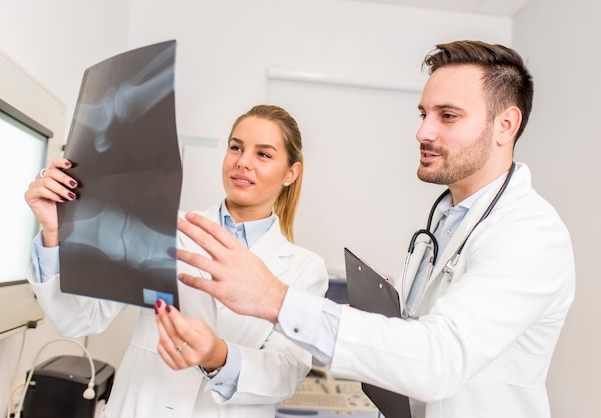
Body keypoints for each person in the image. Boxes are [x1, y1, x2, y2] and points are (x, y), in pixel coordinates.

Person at [173, 41, 576, 418]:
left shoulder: (530, 235)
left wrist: (277, 300)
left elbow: (437, 360)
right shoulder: (444, 223)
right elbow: (408, 338)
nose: (423, 132)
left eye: (447, 115)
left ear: (505, 125)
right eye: (424, 114)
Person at [24, 104, 329, 418]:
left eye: (263, 154)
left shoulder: (304, 269)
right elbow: (79, 319)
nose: (243, 162)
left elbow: (287, 371)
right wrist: (54, 233)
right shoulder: (162, 229)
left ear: (291, 172)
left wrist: (217, 356)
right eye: (236, 147)